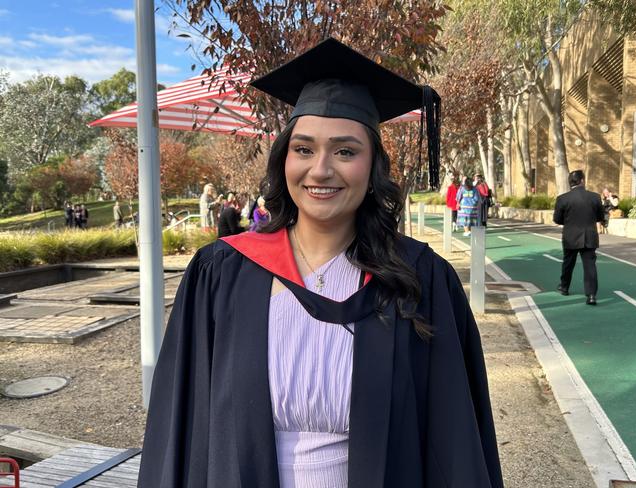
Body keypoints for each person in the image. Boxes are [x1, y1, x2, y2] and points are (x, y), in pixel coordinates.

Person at [138, 38, 502, 488]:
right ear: (283, 159)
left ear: (373, 169)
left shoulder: (419, 277)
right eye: (304, 149)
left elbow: (455, 438)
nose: (321, 170)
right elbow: (180, 426)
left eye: (346, 151)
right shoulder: (221, 273)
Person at [553, 170, 605, 305]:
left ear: (570, 182)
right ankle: (591, 295)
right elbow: (600, 217)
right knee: (590, 266)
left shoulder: (563, 198)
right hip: (589, 235)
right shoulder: (595, 197)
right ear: (582, 181)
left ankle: (564, 287)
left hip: (571, 235)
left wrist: (569, 221)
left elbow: (557, 219)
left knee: (568, 263)